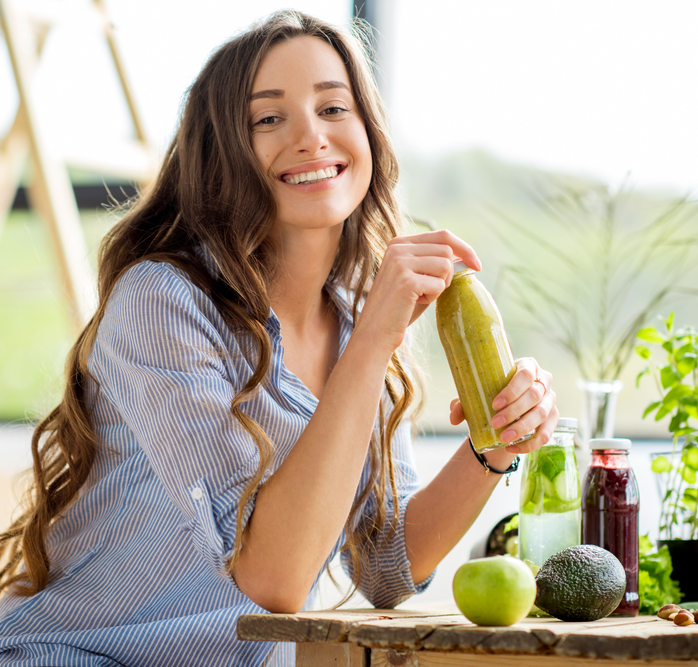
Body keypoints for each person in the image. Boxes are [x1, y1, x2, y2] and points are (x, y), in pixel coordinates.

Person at [0, 10, 558, 667]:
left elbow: (386, 562)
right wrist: (374, 338)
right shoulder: (163, 302)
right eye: (269, 119)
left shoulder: (356, 316)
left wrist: (493, 443)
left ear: (368, 132)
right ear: (221, 153)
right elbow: (270, 579)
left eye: (332, 106)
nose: (311, 137)